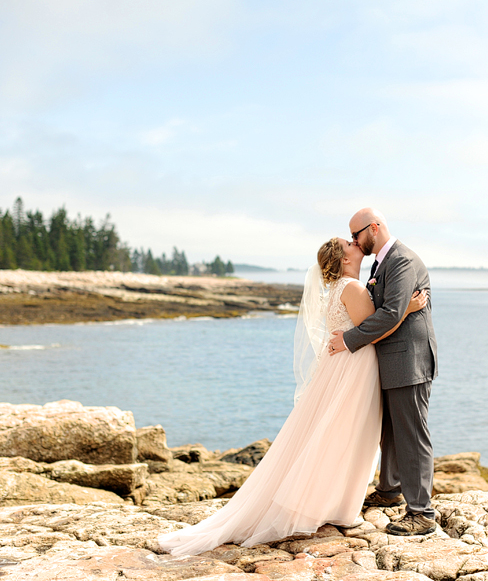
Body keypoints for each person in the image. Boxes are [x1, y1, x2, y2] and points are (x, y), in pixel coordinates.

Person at [157, 237, 427, 557]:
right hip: (354, 368)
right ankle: (334, 504)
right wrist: (406, 308)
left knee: (335, 433)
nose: (356, 243)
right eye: (349, 243)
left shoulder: (340, 288)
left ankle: (332, 500)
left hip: (344, 366)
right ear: (342, 259)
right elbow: (376, 328)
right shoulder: (351, 288)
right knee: (347, 434)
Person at [326, 208, 438, 536]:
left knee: (412, 436)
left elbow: (390, 315)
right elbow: (382, 310)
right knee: (390, 430)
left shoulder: (402, 260)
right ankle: (390, 490)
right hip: (390, 361)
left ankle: (422, 514)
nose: (353, 242)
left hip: (409, 361)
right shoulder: (379, 263)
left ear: (373, 228)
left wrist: (348, 340)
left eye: (355, 235)